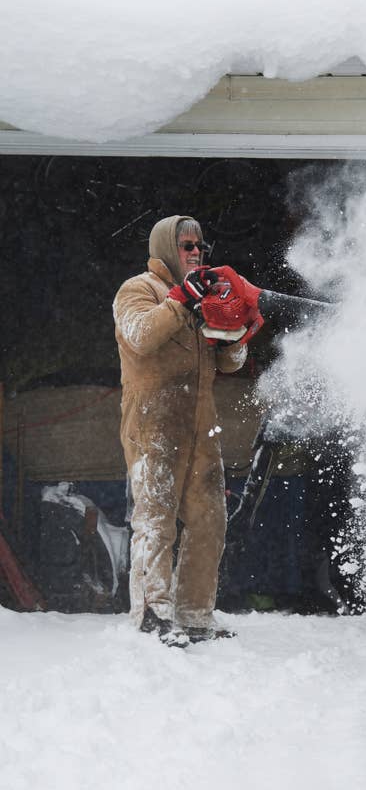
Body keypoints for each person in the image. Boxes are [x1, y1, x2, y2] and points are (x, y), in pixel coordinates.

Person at [113, 215, 250, 644]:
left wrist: (234, 337)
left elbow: (230, 364)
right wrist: (179, 300)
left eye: (200, 247)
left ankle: (194, 615)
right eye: (187, 246)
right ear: (166, 248)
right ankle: (153, 613)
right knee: (155, 518)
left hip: (201, 424)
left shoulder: (203, 295)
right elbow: (140, 335)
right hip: (153, 420)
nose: (196, 253)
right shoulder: (138, 289)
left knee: (210, 519)